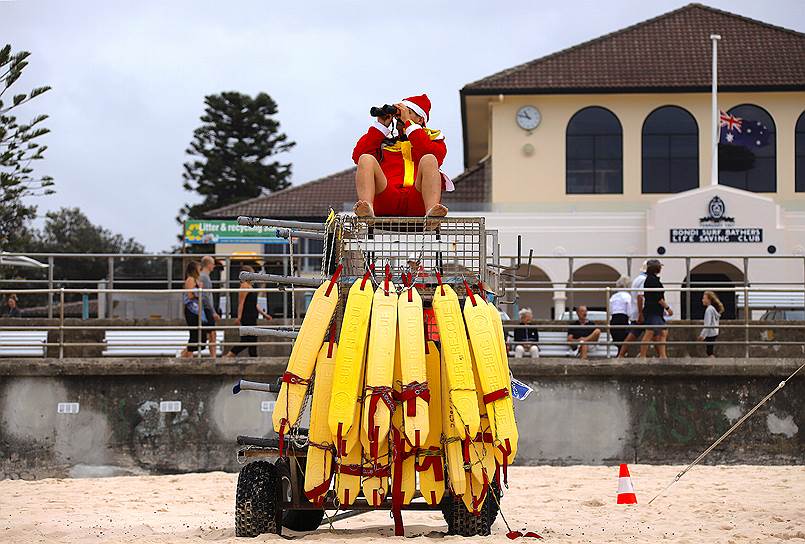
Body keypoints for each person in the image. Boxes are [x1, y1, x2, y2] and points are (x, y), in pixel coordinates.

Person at [352, 94, 453, 218]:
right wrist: (380, 127)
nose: (400, 116)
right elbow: (358, 156)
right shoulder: (384, 142)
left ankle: (432, 213)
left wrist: (409, 125)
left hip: (418, 200)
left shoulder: (433, 139)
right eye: (399, 113)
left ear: (420, 119)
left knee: (429, 159)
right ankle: (366, 209)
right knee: (365, 158)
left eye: (407, 112)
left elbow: (434, 156)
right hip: (387, 199)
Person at [226, 266, 272, 357]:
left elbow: (254, 304)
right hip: (246, 316)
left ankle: (253, 357)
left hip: (252, 315)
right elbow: (241, 303)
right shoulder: (244, 286)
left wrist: (264, 314)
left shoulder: (250, 286)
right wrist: (239, 317)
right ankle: (231, 354)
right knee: (247, 339)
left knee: (253, 338)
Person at [639, 259, 673, 359]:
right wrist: (667, 308)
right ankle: (643, 356)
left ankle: (663, 355)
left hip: (654, 310)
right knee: (650, 332)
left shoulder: (651, 279)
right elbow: (658, 297)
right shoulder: (652, 280)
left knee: (662, 332)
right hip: (653, 310)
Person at [180, 261, 208, 358]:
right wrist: (199, 291)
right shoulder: (190, 279)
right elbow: (190, 295)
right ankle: (186, 356)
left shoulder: (197, 280)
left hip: (198, 310)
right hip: (191, 309)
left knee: (201, 336)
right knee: (194, 335)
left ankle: (185, 354)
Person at [619, 262, 647, 357]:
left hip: (636, 312)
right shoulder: (644, 280)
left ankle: (621, 354)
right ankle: (645, 355)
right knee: (654, 333)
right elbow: (641, 296)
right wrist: (641, 313)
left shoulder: (637, 279)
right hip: (642, 312)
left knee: (633, 334)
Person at [198, 256, 221, 358]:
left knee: (210, 334)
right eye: (213, 264)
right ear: (208, 264)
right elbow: (206, 296)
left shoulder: (203, 276)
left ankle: (213, 356)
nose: (214, 266)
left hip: (205, 309)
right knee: (211, 334)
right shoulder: (204, 277)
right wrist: (213, 312)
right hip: (206, 309)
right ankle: (213, 358)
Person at [608, 276, 632, 353]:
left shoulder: (613, 297)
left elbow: (610, 310)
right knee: (626, 338)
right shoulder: (627, 296)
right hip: (623, 319)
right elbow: (629, 311)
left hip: (614, 319)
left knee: (618, 339)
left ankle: (620, 353)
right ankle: (622, 354)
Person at [698, 291, 724, 357]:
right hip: (714, 332)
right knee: (710, 350)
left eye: (704, 298)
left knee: (709, 352)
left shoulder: (709, 310)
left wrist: (702, 335)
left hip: (710, 333)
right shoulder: (713, 309)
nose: (702, 300)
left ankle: (712, 364)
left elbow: (707, 324)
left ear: (709, 300)